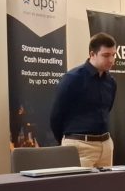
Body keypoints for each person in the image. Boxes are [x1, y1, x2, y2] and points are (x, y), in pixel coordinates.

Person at [49, 33, 117, 167]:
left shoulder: (111, 82)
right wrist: (69, 142)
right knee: (79, 182)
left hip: (106, 145)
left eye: (113, 55)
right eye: (106, 55)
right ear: (92, 54)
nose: (111, 60)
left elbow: (107, 110)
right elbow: (56, 116)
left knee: (107, 182)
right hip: (80, 145)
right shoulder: (72, 78)